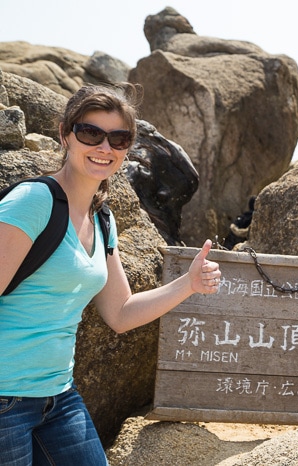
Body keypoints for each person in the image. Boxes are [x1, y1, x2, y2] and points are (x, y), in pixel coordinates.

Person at [0, 83, 222, 465]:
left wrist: (188, 284)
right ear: (65, 135)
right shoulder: (33, 201)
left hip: (57, 395)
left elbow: (120, 313)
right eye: (91, 133)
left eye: (119, 139)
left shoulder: (102, 219)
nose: (105, 148)